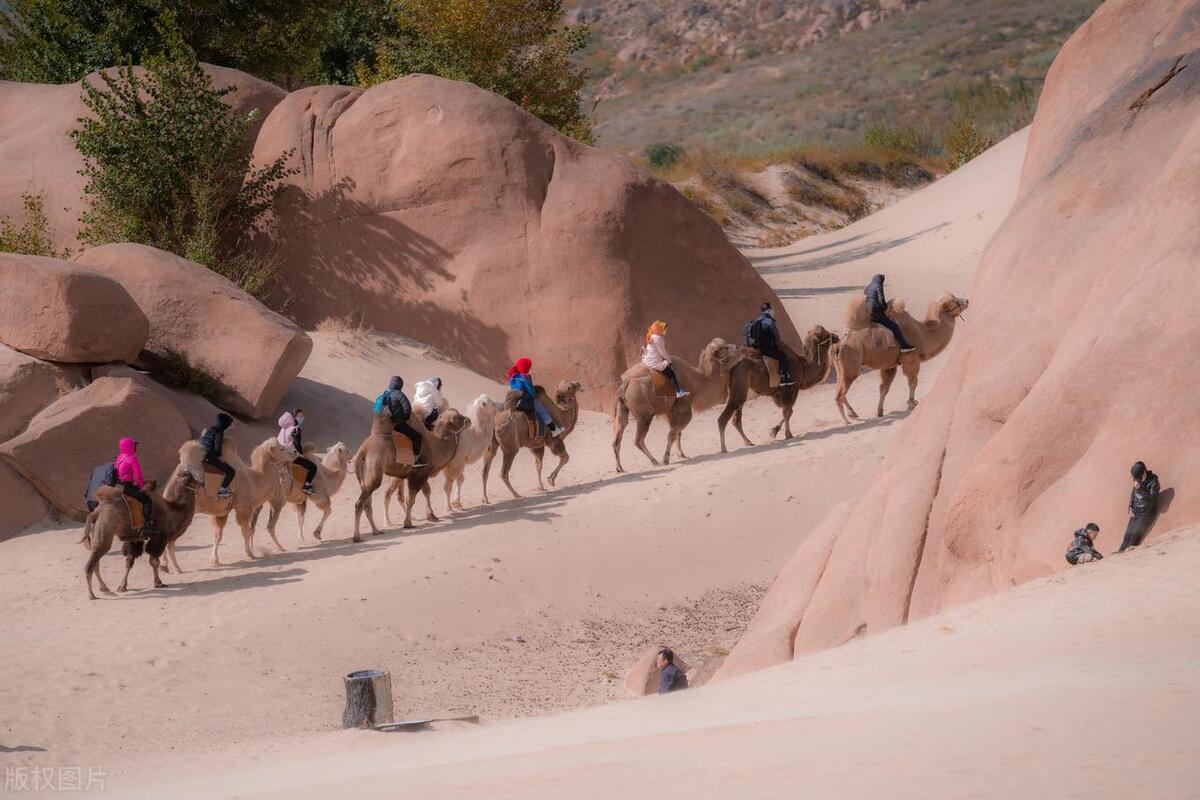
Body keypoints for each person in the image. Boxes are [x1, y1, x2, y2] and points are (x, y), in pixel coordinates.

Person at [507, 357, 562, 437]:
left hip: (514, 399)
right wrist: (534, 396)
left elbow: (513, 388)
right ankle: (553, 429)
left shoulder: (513, 375)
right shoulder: (525, 376)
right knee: (541, 409)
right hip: (524, 398)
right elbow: (529, 389)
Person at [864, 274, 916, 354]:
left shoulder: (868, 286)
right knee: (893, 326)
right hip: (876, 311)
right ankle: (904, 347)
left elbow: (866, 295)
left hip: (867, 311)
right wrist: (885, 308)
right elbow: (881, 300)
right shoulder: (878, 286)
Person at [115, 437, 156, 535]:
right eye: (134, 445)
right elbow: (138, 475)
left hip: (118, 486)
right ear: (130, 446)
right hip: (127, 487)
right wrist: (142, 487)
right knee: (147, 500)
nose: (135, 447)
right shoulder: (131, 458)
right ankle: (147, 524)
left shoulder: (119, 457)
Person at [383, 376, 427, 466]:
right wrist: (405, 419)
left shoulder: (385, 394)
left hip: (383, 425)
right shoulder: (399, 395)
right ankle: (415, 460)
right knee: (418, 437)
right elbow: (408, 410)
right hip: (397, 425)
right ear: (400, 385)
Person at [1118, 461, 1160, 552]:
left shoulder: (1154, 481)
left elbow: (1152, 500)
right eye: (1135, 478)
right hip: (1136, 511)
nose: (1136, 480)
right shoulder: (1137, 479)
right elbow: (1133, 494)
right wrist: (1130, 507)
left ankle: (1128, 555)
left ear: (1144, 473)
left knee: (1134, 537)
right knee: (1127, 536)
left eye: (1137, 478)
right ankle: (1120, 553)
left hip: (1147, 512)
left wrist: (1140, 488)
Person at [750, 302, 796, 386]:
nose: (773, 311)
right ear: (768, 311)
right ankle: (783, 378)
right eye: (771, 310)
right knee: (783, 357)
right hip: (766, 349)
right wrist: (779, 346)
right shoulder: (769, 321)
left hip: (756, 348)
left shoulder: (757, 320)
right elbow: (776, 336)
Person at [642, 320, 689, 399]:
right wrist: (669, 361)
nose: (666, 331)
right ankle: (678, 392)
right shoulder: (658, 338)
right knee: (671, 374)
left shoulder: (652, 335)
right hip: (653, 361)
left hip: (648, 358)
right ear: (659, 329)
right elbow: (662, 352)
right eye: (664, 329)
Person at [198, 413, 236, 499]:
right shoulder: (219, 432)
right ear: (225, 423)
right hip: (208, 458)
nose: (230, 426)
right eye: (229, 423)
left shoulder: (210, 429)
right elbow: (217, 448)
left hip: (200, 455)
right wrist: (219, 456)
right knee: (231, 472)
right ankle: (221, 493)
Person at [277, 410, 316, 495]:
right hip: (290, 455)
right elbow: (296, 443)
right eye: (300, 416)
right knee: (313, 467)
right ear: (294, 417)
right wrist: (302, 454)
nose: (302, 418)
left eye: (303, 416)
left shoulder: (283, 429)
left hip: (279, 454)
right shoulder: (296, 428)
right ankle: (307, 486)